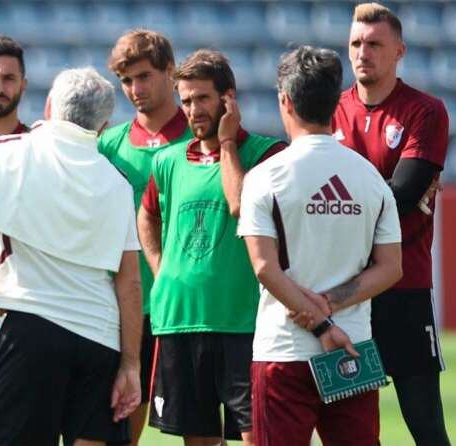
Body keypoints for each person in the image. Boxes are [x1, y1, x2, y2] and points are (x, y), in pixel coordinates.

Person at [0, 67, 141, 446]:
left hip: (31, 330)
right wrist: (130, 363)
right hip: (99, 336)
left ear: (50, 106)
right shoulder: (117, 182)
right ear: (103, 126)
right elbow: (129, 282)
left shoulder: (8, 151)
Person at [238, 45, 402, 445]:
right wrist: (331, 309)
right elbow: (390, 267)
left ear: (285, 101)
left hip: (284, 349)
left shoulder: (264, 177)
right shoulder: (371, 178)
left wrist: (318, 319)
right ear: (335, 103)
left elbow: (264, 268)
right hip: (353, 348)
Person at [137, 50, 285, 446]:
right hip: (178, 320)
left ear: (228, 98)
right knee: (198, 440)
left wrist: (227, 144)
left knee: (260, 437)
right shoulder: (167, 161)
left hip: (243, 322)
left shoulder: (267, 155)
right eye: (185, 100)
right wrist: (160, 268)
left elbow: (240, 204)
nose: (192, 109)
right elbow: (146, 215)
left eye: (202, 98)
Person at [331, 4, 451, 444]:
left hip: (404, 288)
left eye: (375, 44)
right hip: (342, 293)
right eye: (356, 44)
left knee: (425, 425)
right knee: (350, 431)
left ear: (398, 51)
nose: (363, 53)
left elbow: (401, 196)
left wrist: (337, 202)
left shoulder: (425, 111)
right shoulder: (329, 110)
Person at [98, 29, 191, 444]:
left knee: (200, 430)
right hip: (123, 305)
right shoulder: (108, 146)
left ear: (170, 72)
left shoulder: (201, 139)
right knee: (120, 424)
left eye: (144, 76)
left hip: (188, 308)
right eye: (126, 80)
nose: (135, 89)